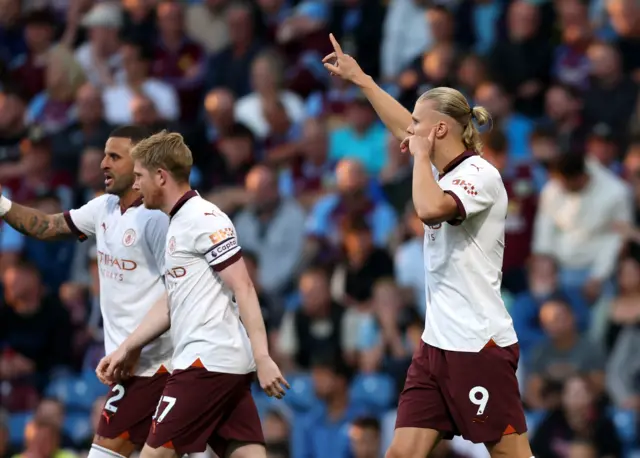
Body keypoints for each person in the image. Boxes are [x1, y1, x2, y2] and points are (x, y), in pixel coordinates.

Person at [322, 34, 532, 458]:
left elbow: (431, 209)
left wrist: (418, 157)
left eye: (419, 124)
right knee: (400, 454)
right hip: (436, 345)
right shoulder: (446, 166)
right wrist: (363, 80)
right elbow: (404, 127)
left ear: (439, 129)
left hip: (478, 344)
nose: (409, 131)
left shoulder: (480, 175)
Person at [96, 131, 288, 458]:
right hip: (220, 364)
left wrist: (263, 357)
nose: (136, 185)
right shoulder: (178, 222)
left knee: (154, 455)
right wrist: (128, 347)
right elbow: (173, 301)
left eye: (140, 176)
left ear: (161, 176)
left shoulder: (204, 218)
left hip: (205, 363)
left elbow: (243, 285)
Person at [0, 126, 172, 458]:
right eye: (104, 155)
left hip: (167, 367)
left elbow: (179, 294)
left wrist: (132, 346)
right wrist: (3, 206)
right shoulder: (103, 208)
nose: (103, 164)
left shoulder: (159, 220)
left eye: (114, 157)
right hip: (133, 373)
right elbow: (47, 227)